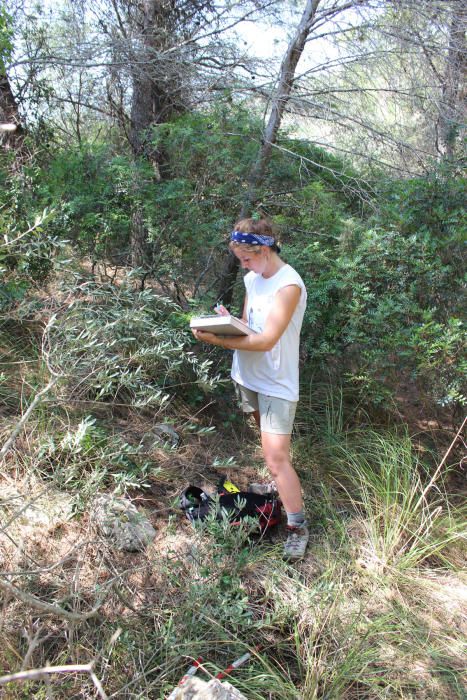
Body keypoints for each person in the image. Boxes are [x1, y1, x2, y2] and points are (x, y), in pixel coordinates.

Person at [192, 217, 309, 560]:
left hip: (276, 381)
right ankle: (277, 490)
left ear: (265, 250)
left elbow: (268, 340)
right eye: (240, 259)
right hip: (249, 375)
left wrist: (218, 341)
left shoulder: (289, 286)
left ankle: (297, 526)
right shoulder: (252, 278)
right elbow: (249, 327)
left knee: (276, 458)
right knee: (266, 443)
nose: (243, 265)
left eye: (246, 258)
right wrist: (228, 324)